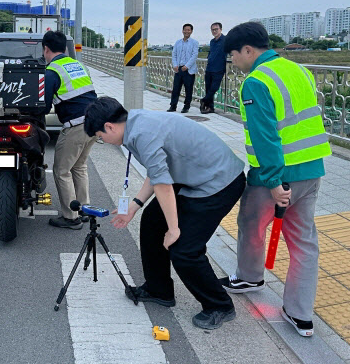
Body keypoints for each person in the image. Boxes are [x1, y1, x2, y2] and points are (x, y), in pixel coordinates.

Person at [84, 97, 246, 329]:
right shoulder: (135, 123)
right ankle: (159, 289)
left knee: (184, 250)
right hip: (193, 175)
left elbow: (162, 184)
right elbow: (158, 170)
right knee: (151, 222)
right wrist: (134, 206)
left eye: (101, 137)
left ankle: (219, 305)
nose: (104, 141)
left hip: (220, 181)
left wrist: (173, 229)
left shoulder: (141, 134)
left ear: (109, 126)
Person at [219, 21, 331, 337]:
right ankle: (300, 315)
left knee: (251, 223)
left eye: (233, 56)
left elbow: (265, 136)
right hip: (311, 170)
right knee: (304, 241)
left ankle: (251, 276)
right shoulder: (300, 71)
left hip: (276, 175)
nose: (233, 63)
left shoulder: (256, 81)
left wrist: (272, 182)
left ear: (248, 50)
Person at [43, 30, 98, 230]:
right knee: (79, 166)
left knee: (61, 170)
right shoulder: (78, 65)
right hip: (94, 123)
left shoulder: (52, 71)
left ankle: (70, 217)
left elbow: (44, 104)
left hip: (76, 126)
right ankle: (84, 209)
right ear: (65, 49)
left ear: (46, 49)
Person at [169, 24, 199, 113]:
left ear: (191, 31)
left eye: (188, 30)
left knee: (188, 89)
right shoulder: (178, 42)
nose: (186, 31)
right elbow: (174, 54)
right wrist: (175, 65)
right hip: (178, 69)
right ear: (182, 31)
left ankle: (186, 106)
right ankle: (173, 106)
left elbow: (194, 55)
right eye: (185, 30)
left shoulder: (194, 42)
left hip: (189, 70)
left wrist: (187, 66)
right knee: (176, 89)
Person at [201, 22, 226, 114]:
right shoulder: (212, 41)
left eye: (216, 29)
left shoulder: (225, 40)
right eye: (213, 30)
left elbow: (232, 49)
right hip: (209, 68)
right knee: (208, 88)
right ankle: (209, 107)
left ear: (221, 29)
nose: (214, 31)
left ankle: (204, 100)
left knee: (214, 88)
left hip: (219, 68)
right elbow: (210, 52)